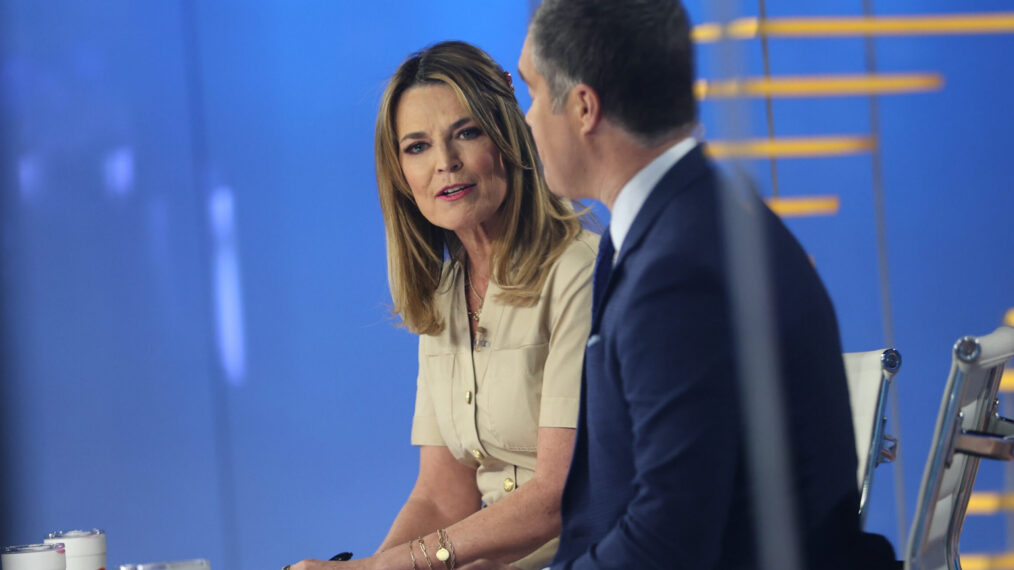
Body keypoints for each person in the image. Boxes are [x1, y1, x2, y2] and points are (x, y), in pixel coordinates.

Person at [462, 1, 899, 569]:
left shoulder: (677, 271)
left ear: (583, 107)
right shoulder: (686, 218)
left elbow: (667, 542)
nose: (526, 119)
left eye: (536, 92)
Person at [286, 41, 598, 570]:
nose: (445, 164)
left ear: (505, 136)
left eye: (466, 133)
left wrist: (390, 566)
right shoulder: (446, 293)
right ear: (401, 176)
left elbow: (555, 498)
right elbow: (440, 494)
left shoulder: (577, 271)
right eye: (417, 147)